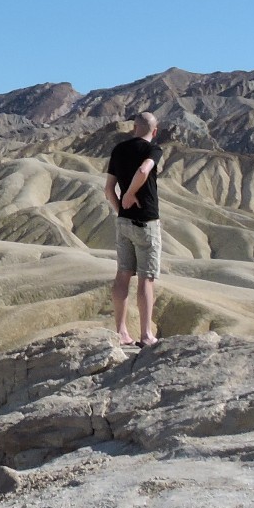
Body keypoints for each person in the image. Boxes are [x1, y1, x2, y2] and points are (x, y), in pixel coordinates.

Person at [105, 112, 163, 347]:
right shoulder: (153, 150)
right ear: (154, 131)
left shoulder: (118, 150)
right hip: (146, 222)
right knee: (146, 279)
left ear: (134, 128)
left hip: (124, 222)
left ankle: (121, 332)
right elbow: (143, 171)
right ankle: (146, 334)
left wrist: (121, 208)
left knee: (122, 275)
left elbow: (108, 189)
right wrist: (130, 194)